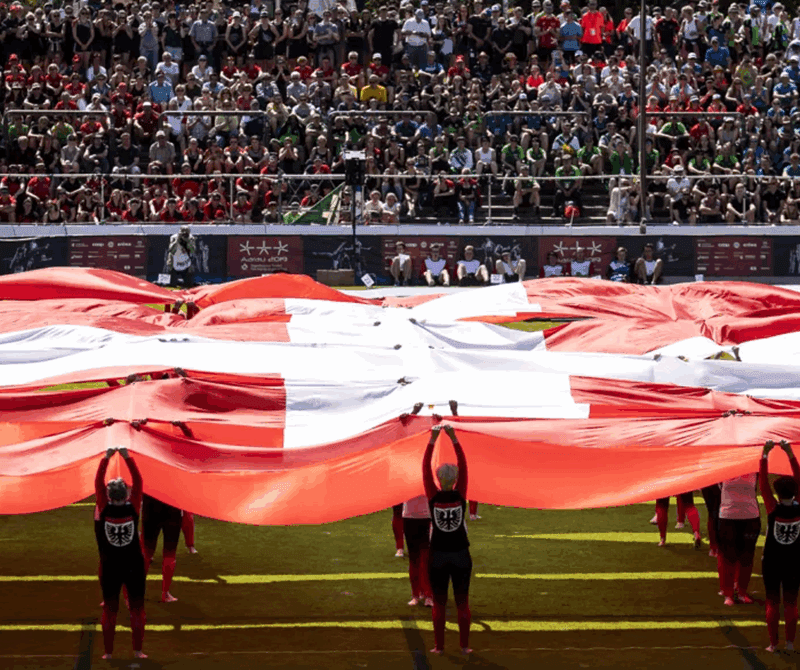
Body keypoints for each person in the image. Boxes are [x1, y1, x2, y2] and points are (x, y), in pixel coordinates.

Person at [423, 424, 472, 656]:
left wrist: (432, 440)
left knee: (439, 602)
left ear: (437, 478)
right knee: (462, 602)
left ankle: (439, 647)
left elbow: (424, 468)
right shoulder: (460, 494)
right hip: (461, 554)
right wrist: (453, 438)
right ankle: (464, 646)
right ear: (456, 479)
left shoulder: (433, 496)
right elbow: (464, 465)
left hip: (438, 556)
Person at [94, 447, 147, 660]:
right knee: (137, 609)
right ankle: (138, 651)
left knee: (110, 610)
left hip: (110, 566)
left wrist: (106, 457)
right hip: (134, 565)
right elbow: (139, 481)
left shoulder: (104, 508)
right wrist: (126, 456)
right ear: (127, 494)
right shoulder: (133, 508)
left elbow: (98, 482)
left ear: (108, 495)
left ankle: (108, 653)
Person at [760, 439, 800, 652]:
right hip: (795, 560)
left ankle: (773, 644)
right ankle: (790, 643)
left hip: (772, 561)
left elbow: (763, 485)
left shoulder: (772, 508)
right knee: (792, 603)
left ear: (777, 493)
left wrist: (765, 455)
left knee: (772, 603)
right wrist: (790, 453)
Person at [718, 466, 761, 606]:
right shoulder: (723, 467)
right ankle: (728, 593)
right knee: (728, 557)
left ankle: (742, 592)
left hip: (750, 517)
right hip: (727, 516)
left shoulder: (754, 467)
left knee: (747, 557)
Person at [141, 494, 183, 603]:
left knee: (146, 552)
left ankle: (138, 591)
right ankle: (165, 593)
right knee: (170, 552)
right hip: (173, 503)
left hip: (151, 503)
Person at [403, 493, 433, 607]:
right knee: (413, 558)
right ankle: (416, 594)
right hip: (409, 517)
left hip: (426, 517)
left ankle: (428, 595)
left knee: (426, 558)